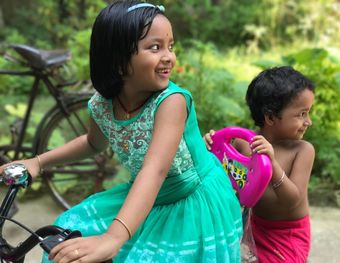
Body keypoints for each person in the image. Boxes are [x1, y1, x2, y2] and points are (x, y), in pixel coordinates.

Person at [0, 1, 243, 262]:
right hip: (146, 195)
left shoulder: (172, 102)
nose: (169, 57)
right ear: (117, 59)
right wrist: (38, 162)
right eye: (155, 47)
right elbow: (92, 143)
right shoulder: (102, 104)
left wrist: (113, 237)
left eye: (170, 46)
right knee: (66, 234)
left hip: (191, 202)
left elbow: (155, 170)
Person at [204, 66, 315, 263]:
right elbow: (223, 187)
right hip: (253, 227)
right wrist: (210, 150)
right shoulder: (242, 144)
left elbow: (292, 201)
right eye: (302, 114)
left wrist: (272, 164)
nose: (309, 121)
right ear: (270, 117)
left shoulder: (302, 150)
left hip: (287, 235)